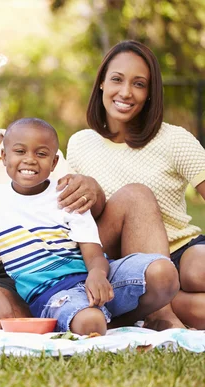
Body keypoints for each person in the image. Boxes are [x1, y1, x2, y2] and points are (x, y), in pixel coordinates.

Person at [0, 65, 185, 330]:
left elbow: (86, 210)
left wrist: (91, 189)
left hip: (67, 257)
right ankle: (69, 316)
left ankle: (158, 314)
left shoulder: (32, 141)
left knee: (137, 195)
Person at [0, 117, 178, 334]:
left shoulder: (65, 193)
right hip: (53, 294)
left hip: (94, 280)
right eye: (20, 151)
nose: (30, 160)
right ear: (4, 156)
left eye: (41, 154)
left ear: (54, 163)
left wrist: (98, 275)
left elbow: (93, 254)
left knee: (164, 272)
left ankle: (116, 319)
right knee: (90, 321)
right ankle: (99, 321)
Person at [67, 40, 205, 329]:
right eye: (117, 79)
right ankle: (160, 311)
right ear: (102, 83)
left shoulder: (174, 139)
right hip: (121, 259)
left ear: (150, 94)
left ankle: (163, 305)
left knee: (199, 270)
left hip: (180, 248)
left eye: (139, 84)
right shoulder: (80, 143)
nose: (126, 92)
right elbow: (75, 216)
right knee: (136, 194)